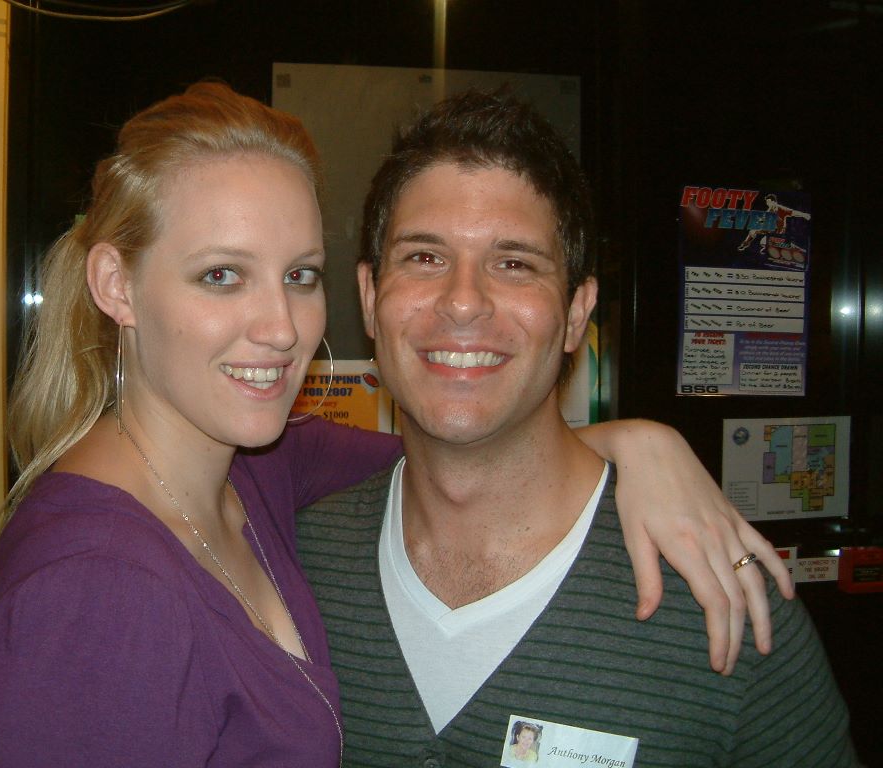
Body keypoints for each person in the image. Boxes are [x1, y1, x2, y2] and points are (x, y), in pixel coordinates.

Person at [0, 81, 788, 767]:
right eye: (221, 275)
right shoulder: (90, 592)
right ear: (116, 284)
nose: (281, 328)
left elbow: (450, 450)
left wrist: (640, 443)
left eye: (299, 276)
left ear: (578, 312)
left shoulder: (256, 471)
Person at [295, 88, 860, 767]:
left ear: (575, 314)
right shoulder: (292, 565)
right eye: (424, 257)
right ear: (368, 296)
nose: (464, 301)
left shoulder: (720, 594)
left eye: (514, 263)